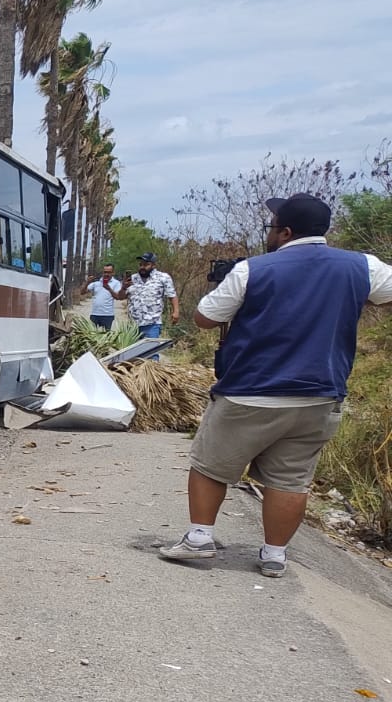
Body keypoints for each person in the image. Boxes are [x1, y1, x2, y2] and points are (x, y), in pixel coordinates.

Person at [158, 192, 392, 577]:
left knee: (211, 465)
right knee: (291, 480)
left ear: (285, 232)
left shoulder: (254, 269)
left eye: (271, 227)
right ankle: (274, 555)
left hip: (251, 390)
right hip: (319, 395)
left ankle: (199, 539)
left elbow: (204, 318)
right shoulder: (362, 266)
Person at [111, 252, 179, 340]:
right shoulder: (133, 278)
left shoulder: (163, 278)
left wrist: (176, 312)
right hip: (133, 325)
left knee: (150, 352)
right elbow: (120, 297)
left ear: (154, 265)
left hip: (152, 323)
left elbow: (172, 295)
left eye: (146, 264)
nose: (142, 267)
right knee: (133, 353)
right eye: (141, 264)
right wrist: (123, 288)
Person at [84, 264, 122, 330]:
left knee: (107, 337)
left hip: (108, 315)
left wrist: (109, 288)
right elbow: (82, 292)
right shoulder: (97, 282)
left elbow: (118, 297)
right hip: (94, 314)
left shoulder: (116, 283)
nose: (106, 274)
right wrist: (87, 282)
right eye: (105, 272)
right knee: (92, 335)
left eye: (109, 272)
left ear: (113, 273)